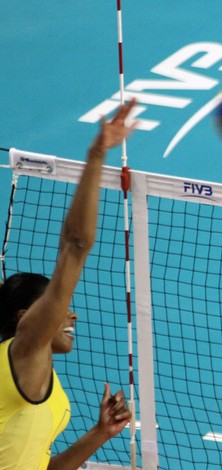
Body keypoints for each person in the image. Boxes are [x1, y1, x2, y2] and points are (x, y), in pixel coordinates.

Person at [0, 99, 137, 470]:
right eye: (58, 305)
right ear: (27, 317)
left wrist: (100, 433)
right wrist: (96, 156)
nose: (70, 312)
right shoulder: (24, 352)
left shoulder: (34, 370)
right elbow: (74, 247)